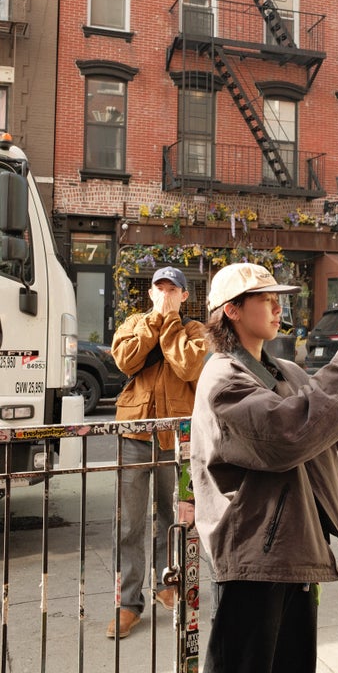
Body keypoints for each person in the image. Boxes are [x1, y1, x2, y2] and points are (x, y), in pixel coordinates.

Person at [190, 262, 338, 673]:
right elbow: (289, 434)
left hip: (295, 548)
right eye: (266, 300)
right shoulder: (224, 378)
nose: (278, 308)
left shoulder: (287, 372)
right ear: (232, 310)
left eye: (278, 299)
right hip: (253, 557)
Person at [107, 266, 207, 639]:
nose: (165, 294)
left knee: (173, 517)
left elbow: (189, 366)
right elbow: (126, 360)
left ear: (184, 296)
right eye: (159, 289)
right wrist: (154, 322)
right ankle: (127, 604)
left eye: (172, 289)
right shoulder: (134, 324)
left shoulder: (195, 331)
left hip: (176, 438)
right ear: (150, 294)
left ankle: (168, 584)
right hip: (134, 434)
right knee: (129, 523)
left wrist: (171, 324)